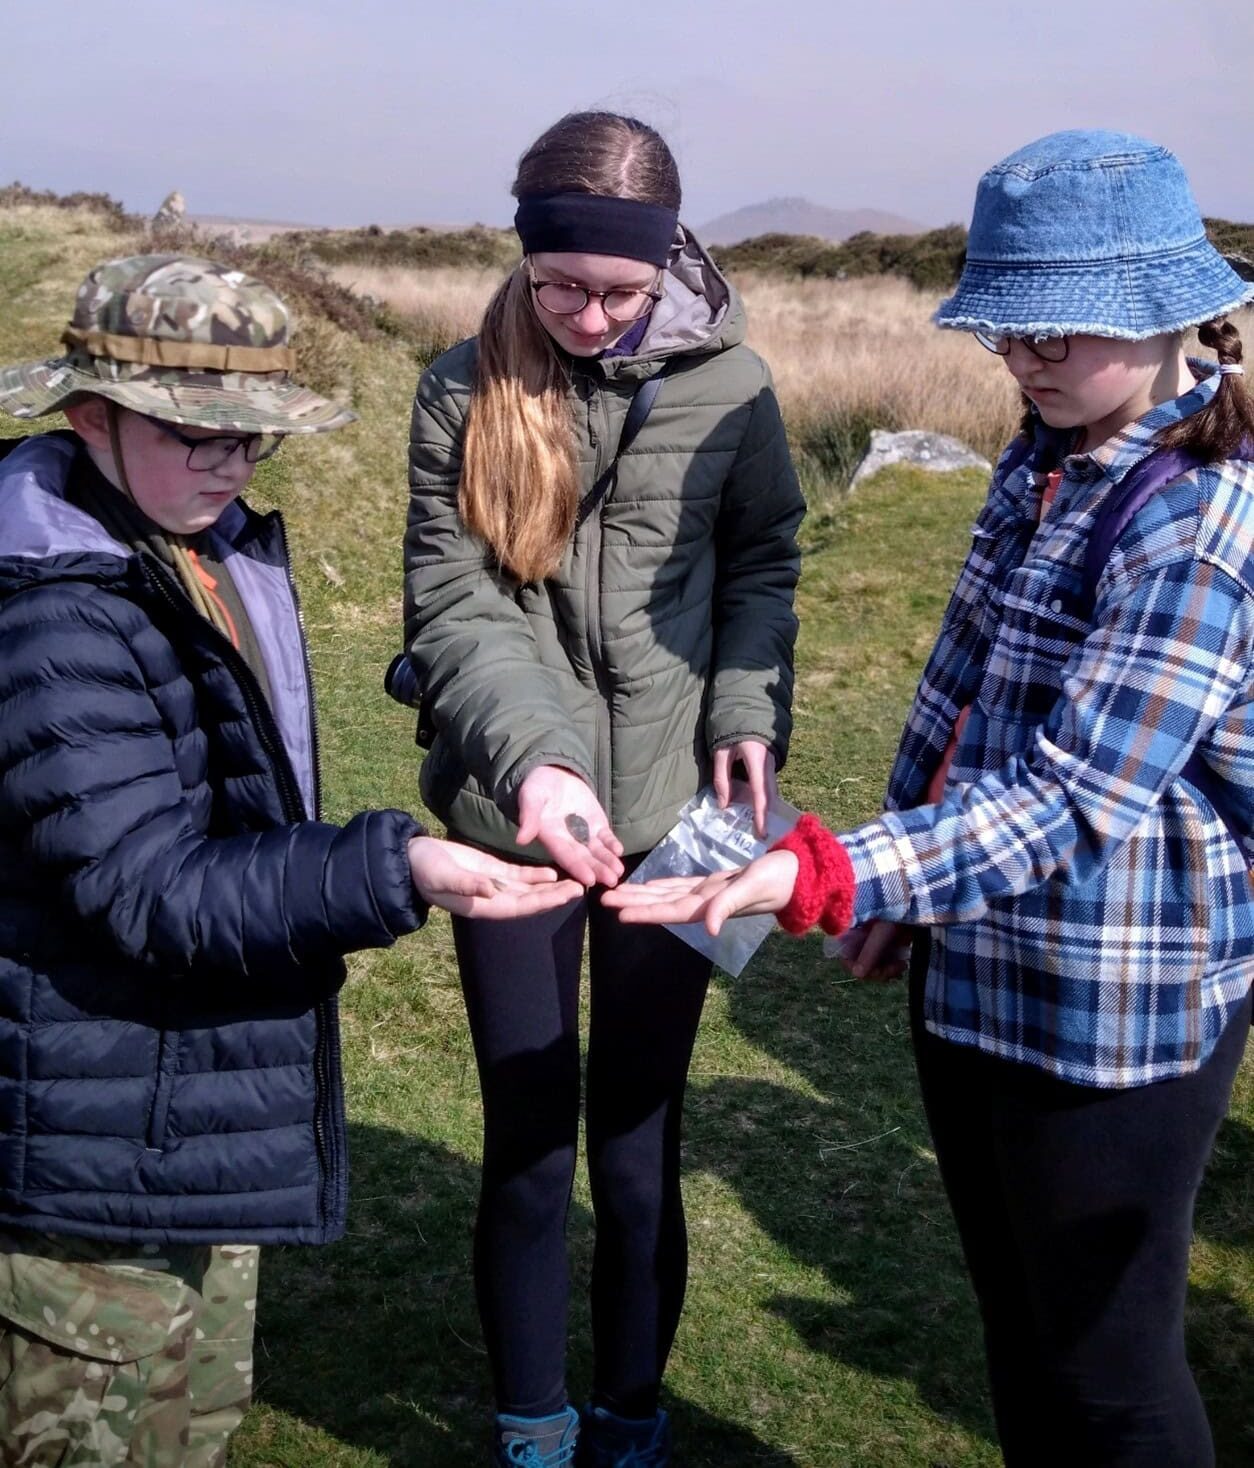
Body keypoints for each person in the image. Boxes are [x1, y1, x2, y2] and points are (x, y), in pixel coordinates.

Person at [605, 130, 1254, 1468]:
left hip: (1108, 998)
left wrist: (839, 872)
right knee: (1016, 1330)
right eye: (1006, 332)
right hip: (977, 962)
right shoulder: (1042, 450)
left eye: (1057, 331)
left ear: (1164, 311)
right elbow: (959, 690)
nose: (1023, 361)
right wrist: (903, 901)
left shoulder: (1199, 514)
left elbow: (1079, 792)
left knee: (1108, 1366)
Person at [0, 253, 581, 1466]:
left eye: (252, 436)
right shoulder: (57, 610)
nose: (227, 459)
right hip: (86, 1156)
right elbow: (145, 885)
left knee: (191, 1432)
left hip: (171, 1115)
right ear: (88, 416)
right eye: (193, 428)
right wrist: (399, 869)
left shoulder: (186, 547)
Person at [403, 111, 804, 1465]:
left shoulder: (736, 387)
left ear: (671, 261)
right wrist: (538, 764)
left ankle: (631, 1419)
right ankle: (532, 1425)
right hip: (512, 819)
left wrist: (748, 709)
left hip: (685, 826)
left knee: (638, 1146)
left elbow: (764, 564)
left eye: (619, 291)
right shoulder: (460, 387)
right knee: (527, 1138)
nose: (584, 315)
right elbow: (453, 602)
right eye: (556, 285)